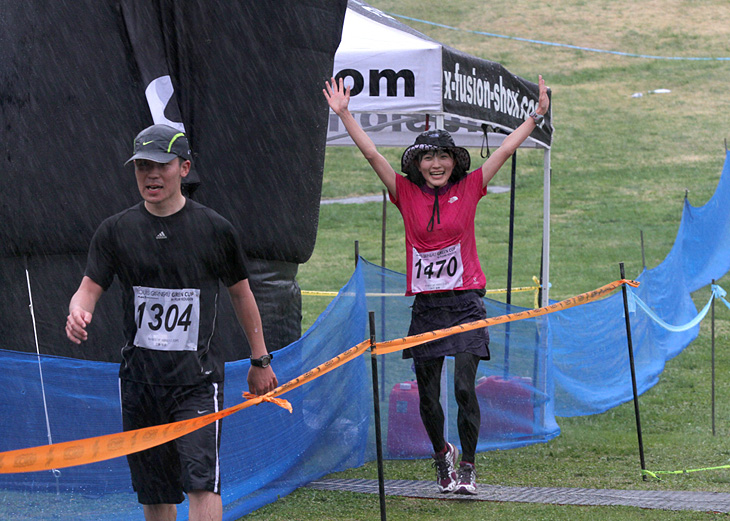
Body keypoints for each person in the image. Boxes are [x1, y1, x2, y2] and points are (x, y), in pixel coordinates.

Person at [324, 75, 550, 495]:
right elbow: (372, 154)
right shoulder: (404, 193)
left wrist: (535, 116)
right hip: (427, 308)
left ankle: (467, 466)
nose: (436, 164)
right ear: (417, 163)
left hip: (465, 304)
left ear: (453, 160)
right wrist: (344, 114)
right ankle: (440, 456)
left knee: (464, 388)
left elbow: (503, 149)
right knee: (428, 397)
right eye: (428, 158)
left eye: (443, 156)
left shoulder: (470, 186)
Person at [65, 124, 278, 521]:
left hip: (196, 384)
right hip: (140, 383)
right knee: (155, 493)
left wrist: (259, 359)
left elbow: (241, 294)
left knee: (202, 483)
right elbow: (89, 287)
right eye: (142, 166)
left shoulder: (214, 229)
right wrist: (79, 309)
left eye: (161, 165)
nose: (151, 175)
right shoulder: (116, 230)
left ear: (184, 168)